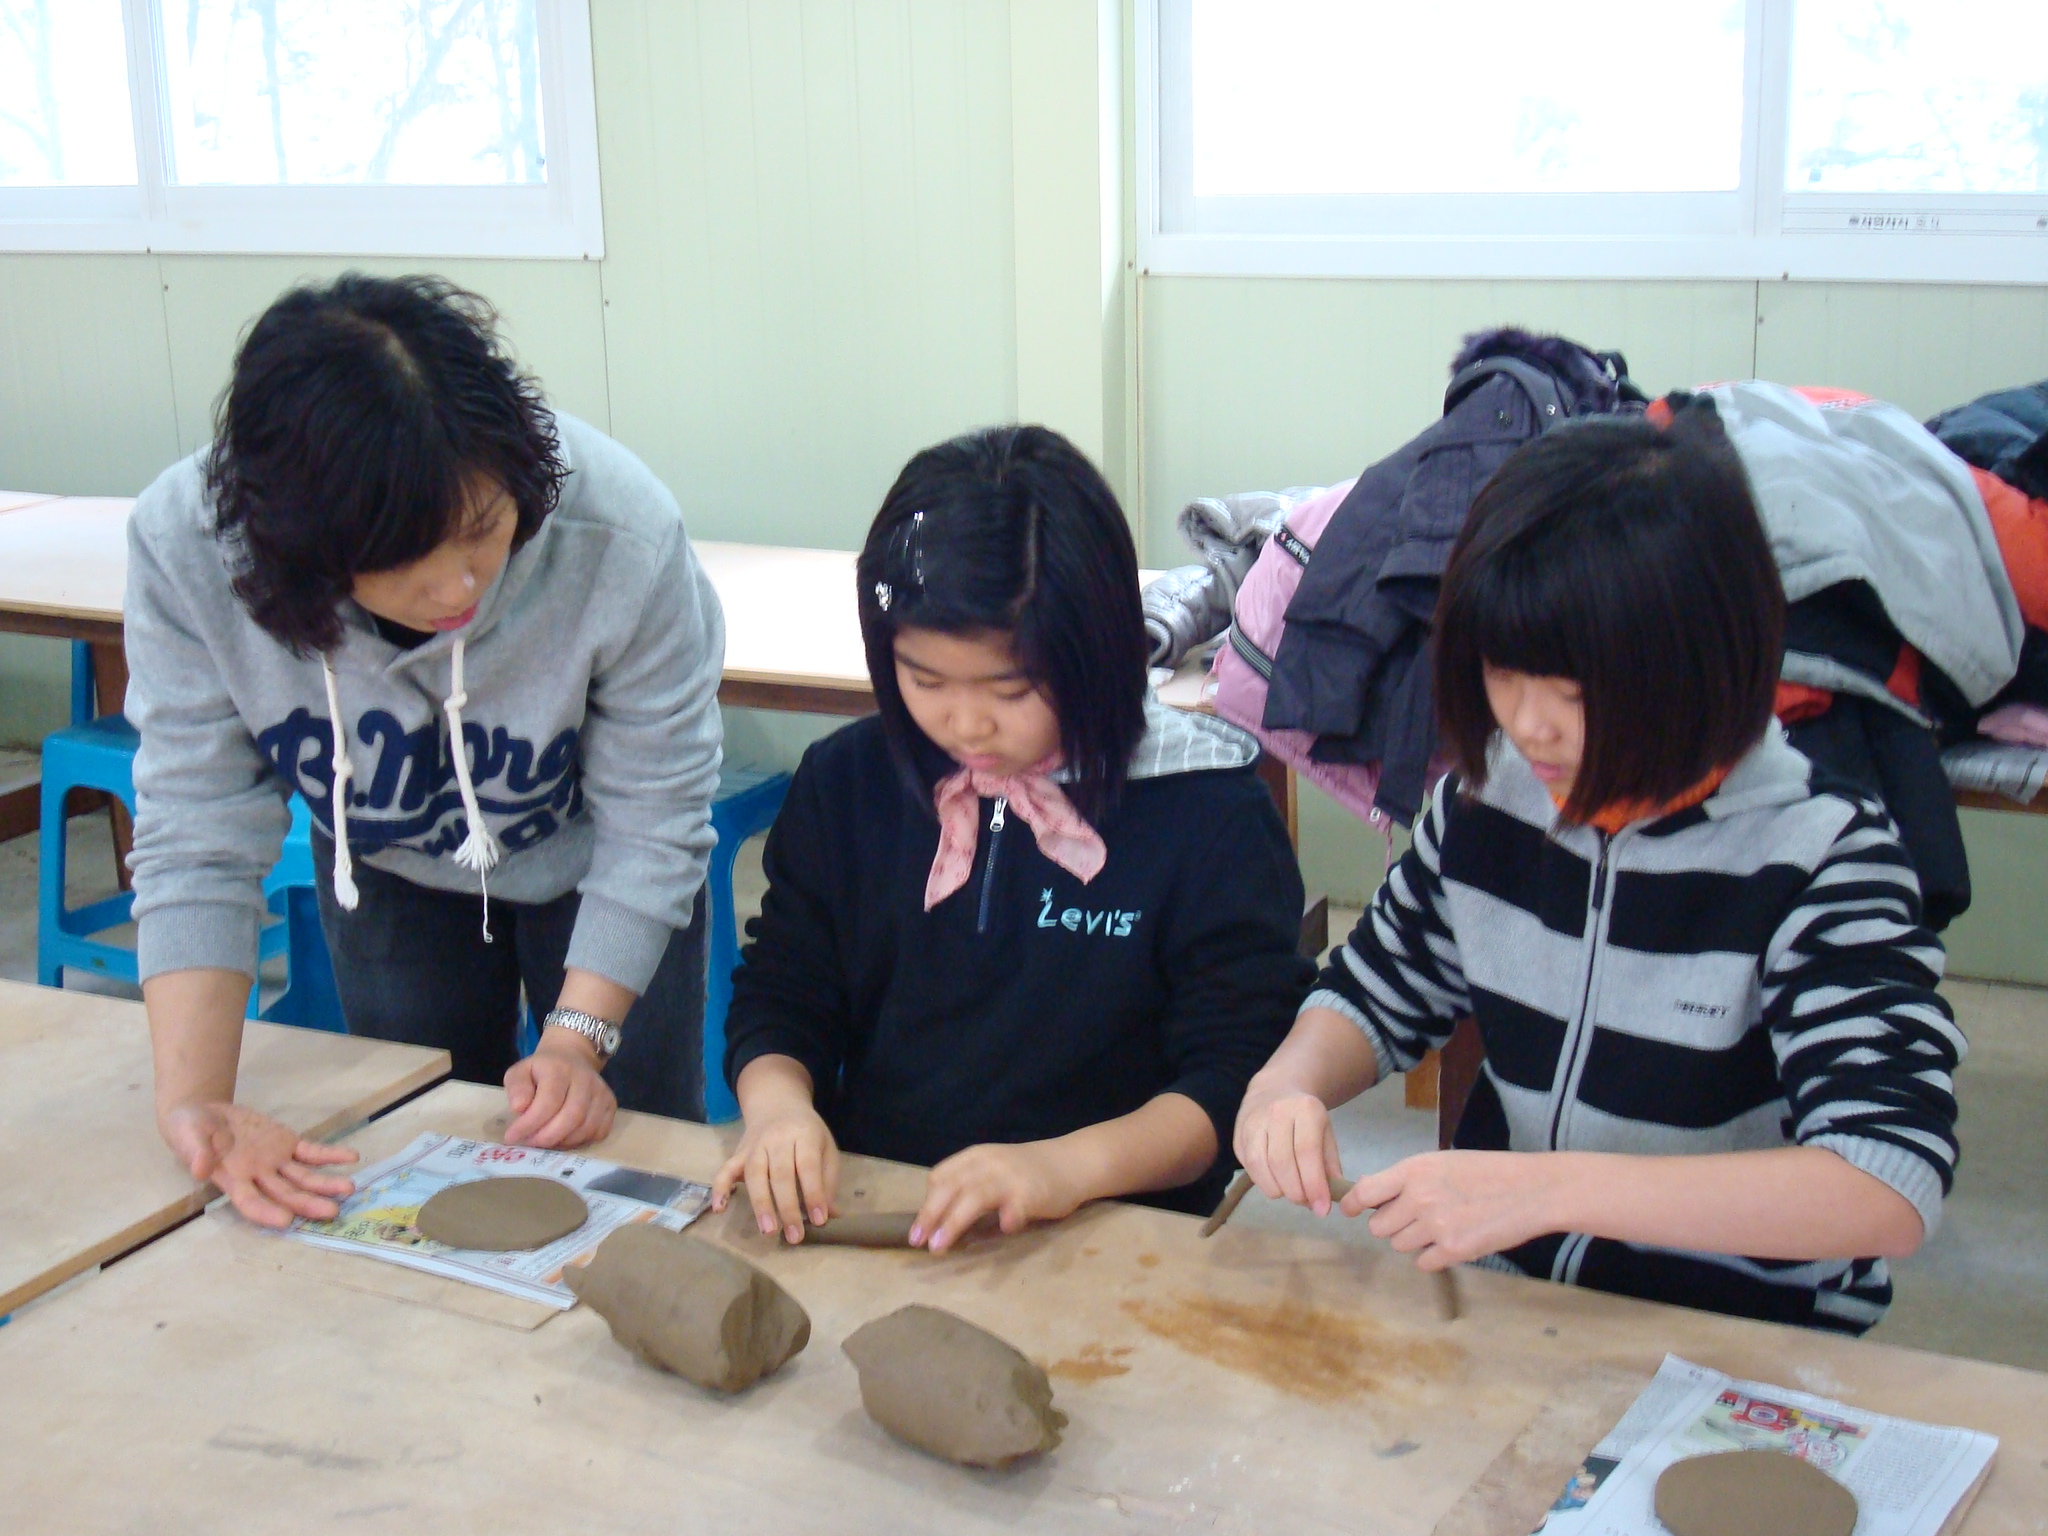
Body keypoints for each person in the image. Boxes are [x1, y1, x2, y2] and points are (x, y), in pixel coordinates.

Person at [1233, 404, 1965, 1334]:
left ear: (1703, 667)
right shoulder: (1487, 806)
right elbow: (1377, 989)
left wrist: (1551, 1192)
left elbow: (1885, 1182)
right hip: (1514, 1302)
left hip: (1745, 1331)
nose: (1529, 725)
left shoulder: (1820, 861)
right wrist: (1288, 1086)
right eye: (1504, 674)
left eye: (1573, 695)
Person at [126, 274, 724, 1228]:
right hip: (384, 863)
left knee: (636, 1160)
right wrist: (196, 1103)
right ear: (305, 555)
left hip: (596, 868)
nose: (459, 585)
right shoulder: (192, 549)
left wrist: (575, 1041)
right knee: (425, 1146)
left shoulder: (621, 534)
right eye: (408, 561)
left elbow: (657, 816)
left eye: (483, 533)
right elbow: (197, 828)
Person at [709, 424, 1312, 1250]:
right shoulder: (849, 784)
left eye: (1010, 687)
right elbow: (785, 992)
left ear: (1096, 651)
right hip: (883, 1199)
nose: (963, 722)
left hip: (1120, 1224)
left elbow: (1231, 1077)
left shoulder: (1204, 812)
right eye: (924, 680)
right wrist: (779, 1112)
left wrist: (1062, 1169)